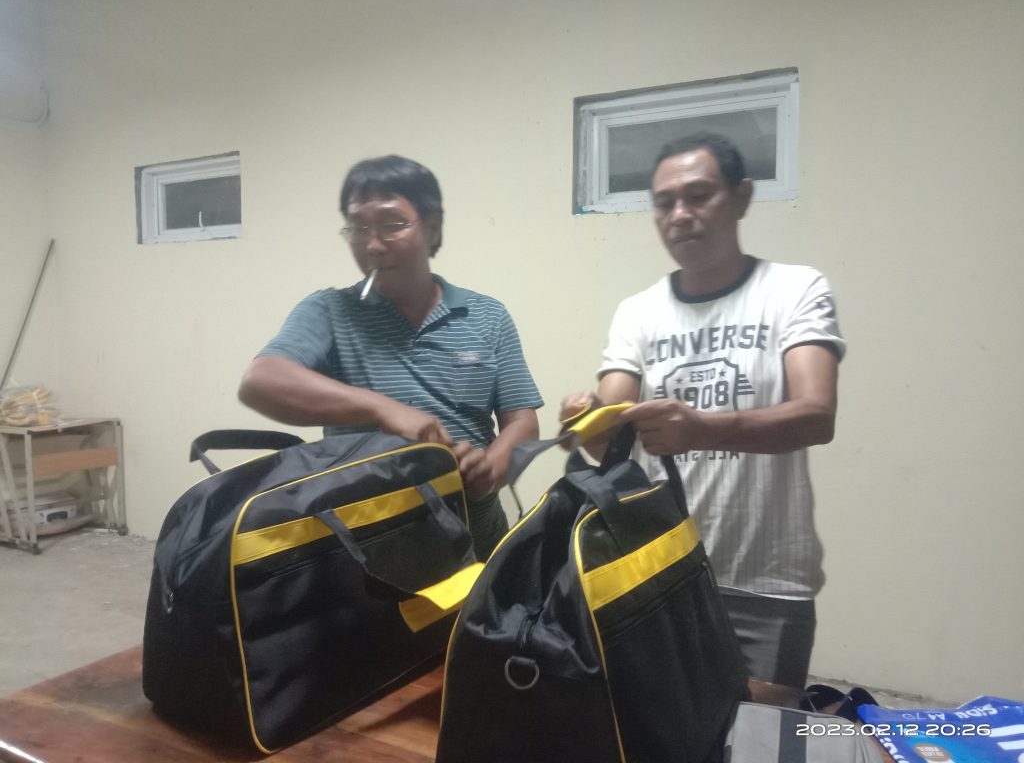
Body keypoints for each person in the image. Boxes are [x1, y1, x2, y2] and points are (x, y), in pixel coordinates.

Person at [562, 133, 845, 689]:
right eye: (664, 202)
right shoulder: (639, 311)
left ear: (741, 197)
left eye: (698, 195)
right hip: (658, 569)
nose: (680, 214)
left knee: (759, 728)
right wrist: (585, 417)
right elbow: (606, 438)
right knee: (659, 724)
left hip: (767, 581)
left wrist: (702, 429)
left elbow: (817, 415)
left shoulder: (794, 289)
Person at [239, 154, 543, 559]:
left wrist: (490, 469)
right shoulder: (330, 311)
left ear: (433, 227)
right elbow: (261, 381)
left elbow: (522, 421)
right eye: (358, 227)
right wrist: (382, 409)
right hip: (366, 549)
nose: (373, 245)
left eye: (391, 224)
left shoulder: (487, 316)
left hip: (476, 537)